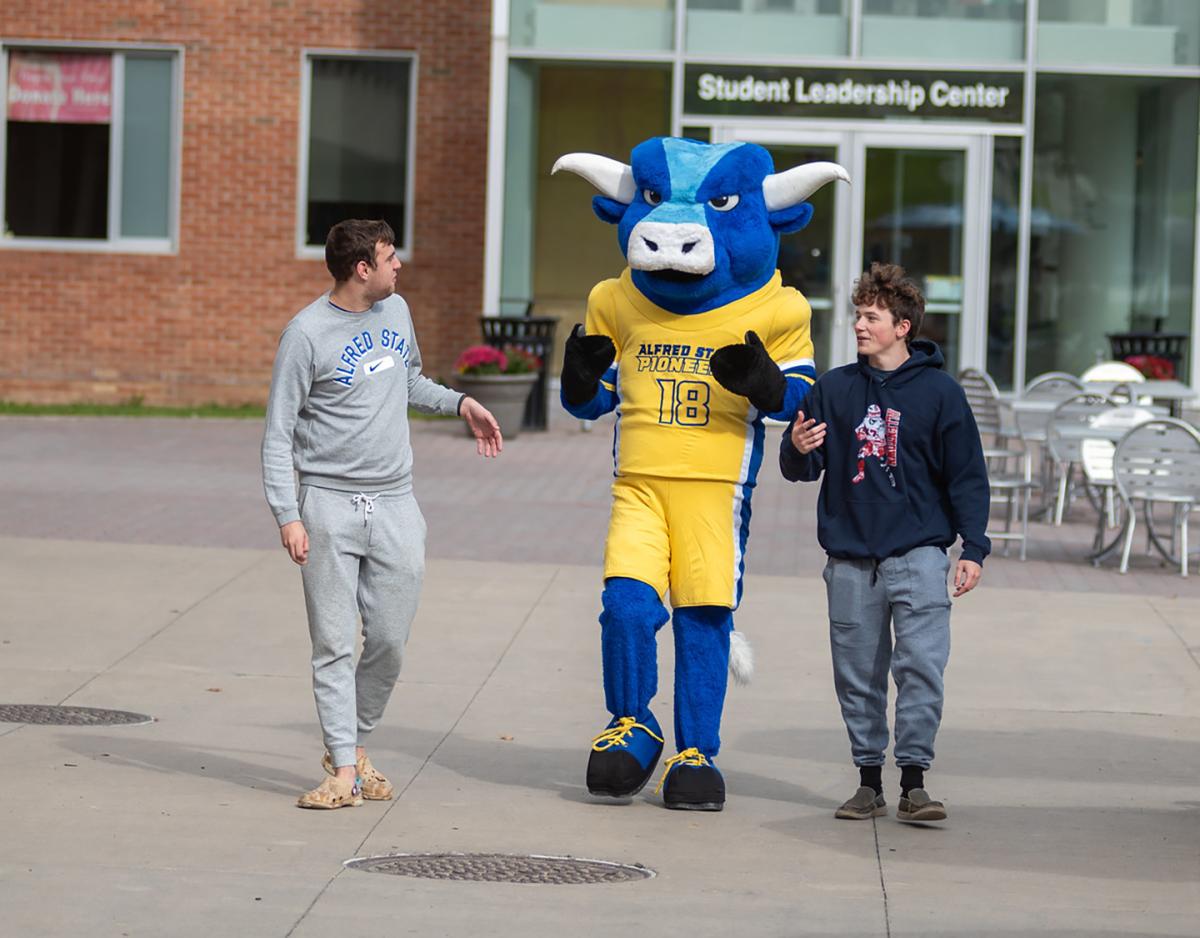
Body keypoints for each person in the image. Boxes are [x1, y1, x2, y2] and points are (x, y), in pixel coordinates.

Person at [262, 218, 502, 810]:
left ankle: (354, 744)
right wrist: (287, 514)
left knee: (390, 641)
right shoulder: (306, 335)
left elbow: (409, 380)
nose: (400, 267)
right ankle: (343, 770)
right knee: (335, 643)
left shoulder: (396, 313)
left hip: (396, 502)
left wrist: (461, 401)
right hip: (328, 506)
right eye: (390, 258)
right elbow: (277, 434)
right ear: (361, 269)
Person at [779, 262, 990, 823]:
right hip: (850, 561)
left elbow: (967, 474)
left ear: (903, 327)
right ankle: (868, 781)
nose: (859, 325)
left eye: (871, 317)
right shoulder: (834, 389)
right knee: (857, 678)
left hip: (919, 557)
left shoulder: (941, 394)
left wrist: (974, 548)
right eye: (857, 315)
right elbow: (800, 467)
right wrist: (797, 445)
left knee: (921, 668)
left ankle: (915, 782)